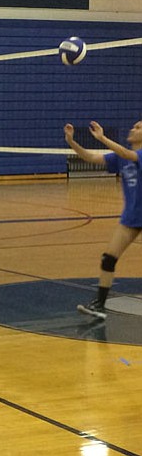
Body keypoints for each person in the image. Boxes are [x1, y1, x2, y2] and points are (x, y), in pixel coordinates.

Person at [65, 120, 142, 319]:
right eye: (133, 126)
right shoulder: (120, 158)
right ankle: (99, 304)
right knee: (109, 258)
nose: (133, 129)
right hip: (132, 217)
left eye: (139, 127)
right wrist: (71, 142)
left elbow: (129, 155)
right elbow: (90, 156)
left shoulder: (135, 155)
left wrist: (102, 138)